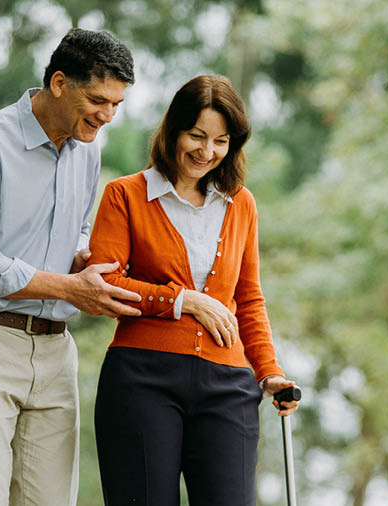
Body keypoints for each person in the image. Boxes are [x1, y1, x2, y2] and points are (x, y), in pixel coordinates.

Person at [0, 28, 141, 506]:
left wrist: (85, 255)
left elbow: (76, 228)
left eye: (116, 104)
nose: (107, 116)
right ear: (60, 82)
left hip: (54, 352)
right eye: (98, 100)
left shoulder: (87, 149)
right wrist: (69, 287)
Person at [88, 74, 301, 506]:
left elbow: (249, 298)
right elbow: (104, 283)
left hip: (228, 385)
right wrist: (185, 301)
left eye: (221, 141)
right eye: (196, 135)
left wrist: (269, 372)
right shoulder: (124, 196)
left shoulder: (241, 203)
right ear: (173, 130)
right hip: (141, 379)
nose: (207, 152)